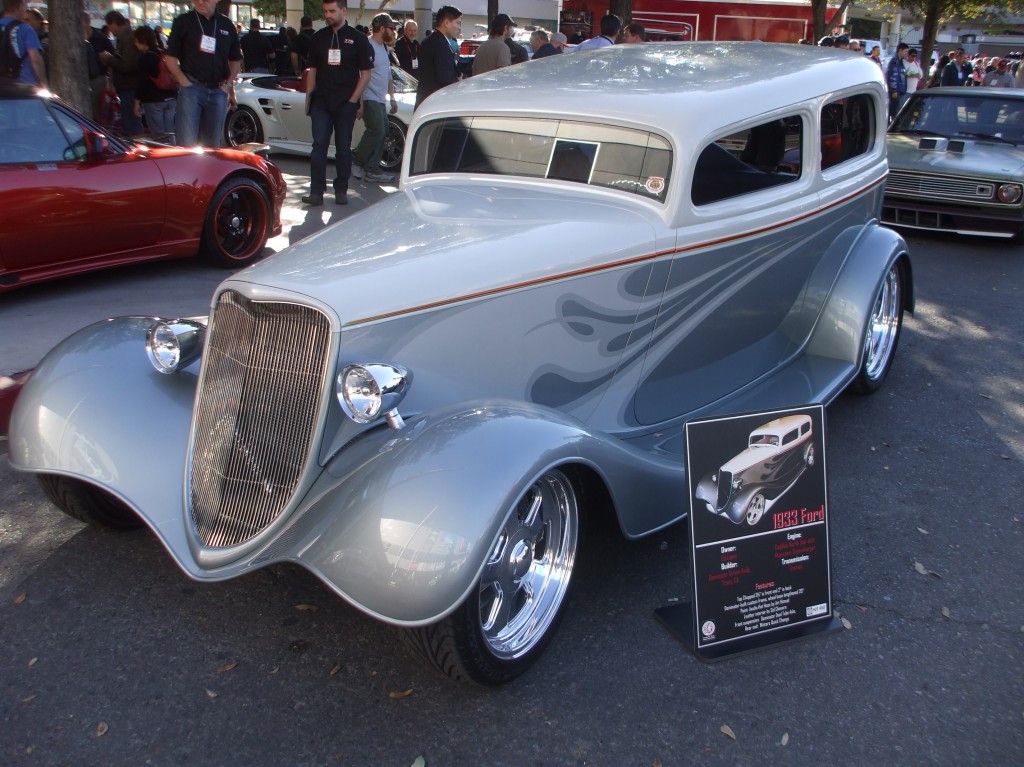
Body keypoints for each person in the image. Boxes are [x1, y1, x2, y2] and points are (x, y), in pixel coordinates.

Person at [302, 0, 373, 206]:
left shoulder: (358, 39)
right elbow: (312, 70)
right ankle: (316, 191)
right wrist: (309, 97)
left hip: (345, 103)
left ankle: (341, 189)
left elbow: (366, 73)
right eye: (325, 11)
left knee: (343, 149)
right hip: (321, 102)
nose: (328, 15)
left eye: (332, 11)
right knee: (319, 146)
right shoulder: (318, 38)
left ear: (343, 11)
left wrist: (354, 100)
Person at [163, 0, 242, 147]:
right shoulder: (183, 22)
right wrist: (184, 82)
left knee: (212, 145)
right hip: (192, 88)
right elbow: (170, 58)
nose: (200, 2)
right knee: (187, 143)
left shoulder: (226, 24)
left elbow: (235, 61)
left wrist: (228, 85)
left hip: (218, 89)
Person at [351, 13, 399, 184]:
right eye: (391, 28)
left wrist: (392, 98)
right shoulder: (367, 45)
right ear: (381, 28)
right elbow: (360, 75)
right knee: (377, 130)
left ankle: (371, 168)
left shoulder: (385, 48)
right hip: (369, 96)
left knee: (384, 131)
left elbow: (388, 76)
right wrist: (360, 102)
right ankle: (357, 160)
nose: (393, 31)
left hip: (380, 98)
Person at [100, 11, 143, 136]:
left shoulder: (127, 38)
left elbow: (128, 65)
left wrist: (109, 59)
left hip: (129, 86)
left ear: (114, 23)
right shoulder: (125, 38)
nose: (110, 29)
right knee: (131, 122)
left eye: (109, 25)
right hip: (127, 86)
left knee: (131, 123)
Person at [133, 25, 176, 138]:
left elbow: (142, 82)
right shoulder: (164, 54)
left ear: (143, 41)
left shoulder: (145, 58)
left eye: (137, 41)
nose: (135, 44)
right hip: (171, 96)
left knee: (158, 134)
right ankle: (173, 153)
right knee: (170, 132)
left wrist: (137, 102)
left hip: (153, 99)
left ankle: (162, 154)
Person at [415, 5, 461, 109]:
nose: (459, 27)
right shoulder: (440, 44)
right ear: (446, 23)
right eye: (457, 23)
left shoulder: (428, 41)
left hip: (426, 104)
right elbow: (445, 78)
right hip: (436, 106)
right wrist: (458, 81)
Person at [0, 0, 45, 86]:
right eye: (25, 5)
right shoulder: (26, 29)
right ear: (19, 6)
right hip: (24, 89)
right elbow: (36, 60)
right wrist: (44, 84)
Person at [886, 42, 908, 118]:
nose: (906, 53)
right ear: (900, 50)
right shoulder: (895, 61)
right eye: (905, 51)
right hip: (895, 92)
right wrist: (894, 90)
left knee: (897, 112)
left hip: (900, 91)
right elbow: (893, 75)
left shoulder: (901, 62)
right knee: (894, 113)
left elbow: (902, 73)